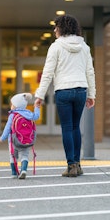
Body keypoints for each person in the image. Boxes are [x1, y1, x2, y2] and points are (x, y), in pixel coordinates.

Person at [34, 14, 96, 177]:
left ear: (62, 28)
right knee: (76, 127)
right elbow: (90, 72)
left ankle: (71, 166)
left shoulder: (56, 47)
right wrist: (92, 94)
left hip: (64, 91)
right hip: (81, 90)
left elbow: (47, 73)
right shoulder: (85, 47)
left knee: (67, 128)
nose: (54, 30)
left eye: (56, 27)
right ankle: (78, 164)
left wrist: (39, 95)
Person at [0, 93, 40, 179]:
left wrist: (3, 137)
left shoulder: (13, 115)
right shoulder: (29, 114)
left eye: (12, 104)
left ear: (16, 106)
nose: (11, 106)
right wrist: (36, 107)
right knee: (24, 155)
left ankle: (14, 173)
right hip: (26, 140)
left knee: (13, 156)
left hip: (13, 141)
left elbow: (7, 128)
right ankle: (23, 170)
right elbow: (36, 116)